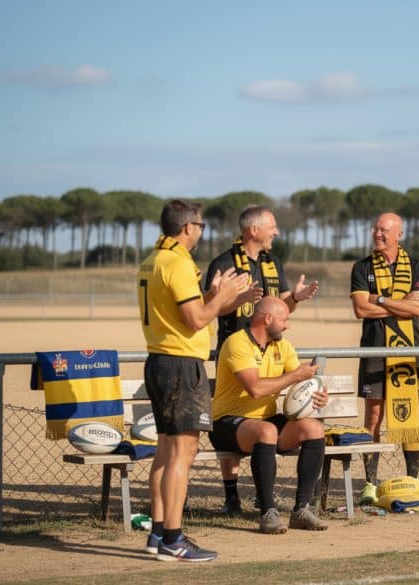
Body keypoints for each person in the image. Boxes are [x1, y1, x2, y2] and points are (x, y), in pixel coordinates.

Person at [138, 199, 248, 562]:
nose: (202, 231)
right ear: (187, 228)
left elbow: (188, 309)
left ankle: (158, 533)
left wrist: (219, 297)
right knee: (182, 453)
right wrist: (222, 299)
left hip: (160, 362)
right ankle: (173, 538)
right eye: (200, 225)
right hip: (181, 366)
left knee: (168, 451)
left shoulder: (154, 259)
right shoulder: (178, 264)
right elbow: (197, 320)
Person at [206, 205, 320, 516]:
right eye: (272, 226)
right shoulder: (224, 263)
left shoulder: (272, 262)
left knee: (271, 422)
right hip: (237, 347)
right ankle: (232, 495)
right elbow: (207, 308)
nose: (276, 232)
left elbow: (277, 308)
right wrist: (236, 301)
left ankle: (293, 506)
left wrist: (294, 299)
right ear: (253, 230)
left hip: (268, 345)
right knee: (239, 407)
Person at [210, 297, 328, 534]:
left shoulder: (282, 346)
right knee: (267, 431)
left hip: (266, 421)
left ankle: (302, 510)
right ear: (267, 318)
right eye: (285, 319)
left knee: (314, 428)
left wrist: (319, 395)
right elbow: (255, 389)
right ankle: (268, 512)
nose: (288, 326)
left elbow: (304, 381)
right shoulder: (237, 343)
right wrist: (295, 377)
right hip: (226, 422)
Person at [350, 212, 419, 505]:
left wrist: (380, 299)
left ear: (400, 234)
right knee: (373, 415)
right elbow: (360, 309)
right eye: (375, 229)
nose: (377, 233)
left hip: (408, 350)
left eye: (383, 230)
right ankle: (370, 482)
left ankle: (414, 476)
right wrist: (401, 305)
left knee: (411, 413)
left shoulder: (417, 266)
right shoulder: (362, 267)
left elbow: (418, 309)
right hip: (374, 350)